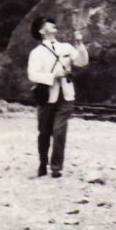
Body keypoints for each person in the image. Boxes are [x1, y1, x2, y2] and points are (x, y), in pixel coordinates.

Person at [27, 15, 88, 178]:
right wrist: (53, 75)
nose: (54, 26)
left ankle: (56, 167)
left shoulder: (66, 47)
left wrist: (79, 42)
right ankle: (42, 162)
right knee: (44, 132)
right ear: (41, 30)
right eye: (49, 24)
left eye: (54, 24)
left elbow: (82, 62)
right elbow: (32, 75)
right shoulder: (37, 53)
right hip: (46, 96)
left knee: (59, 131)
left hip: (66, 95)